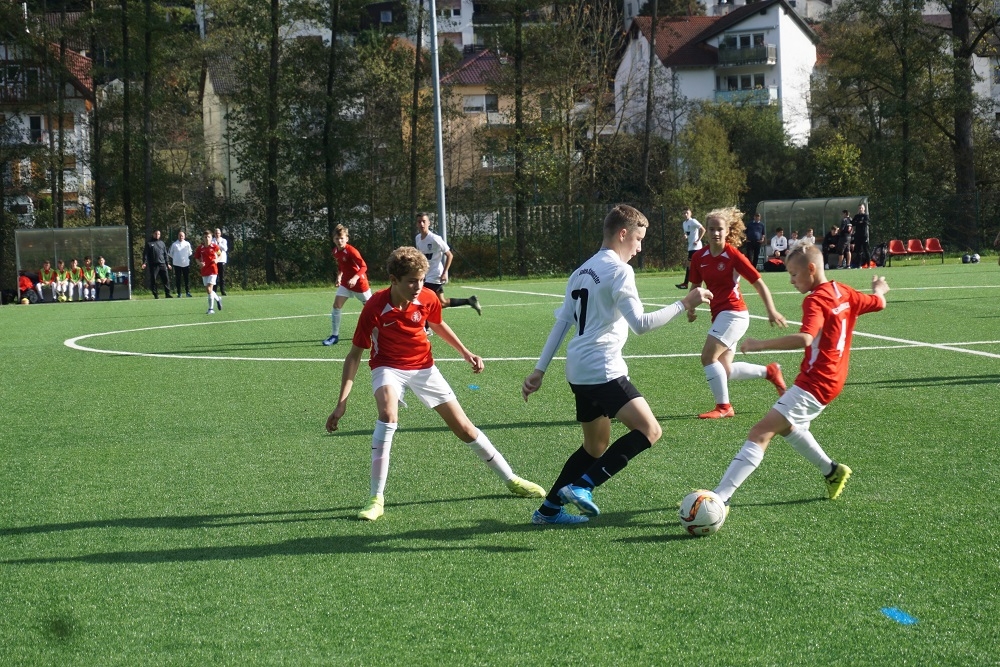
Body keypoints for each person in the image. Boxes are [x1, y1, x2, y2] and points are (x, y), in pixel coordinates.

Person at [521, 205, 713, 525]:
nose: (639, 248)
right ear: (623, 234)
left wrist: (540, 370)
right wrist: (685, 302)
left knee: (595, 446)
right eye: (638, 239)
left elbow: (562, 324)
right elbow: (640, 324)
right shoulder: (619, 271)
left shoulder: (581, 271)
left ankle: (548, 510)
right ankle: (583, 487)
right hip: (603, 368)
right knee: (649, 429)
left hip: (578, 370)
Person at [325, 246, 544, 521]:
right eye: (411, 281)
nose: (418, 287)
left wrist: (466, 353)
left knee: (464, 428)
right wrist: (341, 403)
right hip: (388, 368)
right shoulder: (374, 307)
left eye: (420, 279)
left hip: (424, 369)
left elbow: (438, 324)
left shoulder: (427, 297)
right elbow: (355, 355)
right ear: (394, 280)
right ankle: (376, 498)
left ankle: (511, 479)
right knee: (388, 414)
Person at [708, 243, 888, 523]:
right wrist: (879, 288)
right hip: (830, 380)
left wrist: (759, 344)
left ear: (811, 269)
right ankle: (831, 471)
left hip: (816, 382)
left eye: (793, 274)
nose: (791, 280)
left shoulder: (815, 300)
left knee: (760, 432)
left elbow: (805, 337)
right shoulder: (845, 292)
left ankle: (721, 497)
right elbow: (879, 303)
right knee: (788, 427)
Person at [686, 207, 788, 420]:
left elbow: (758, 282)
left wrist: (771, 310)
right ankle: (769, 372)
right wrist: (691, 308)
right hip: (721, 316)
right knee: (725, 369)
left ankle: (724, 407)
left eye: (719, 229)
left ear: (727, 230)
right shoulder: (699, 257)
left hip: (734, 314)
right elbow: (696, 286)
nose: (715, 233)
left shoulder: (733, 255)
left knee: (707, 357)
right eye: (711, 229)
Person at [414, 213, 481, 316]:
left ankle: (426, 328)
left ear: (429, 223)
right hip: (426, 275)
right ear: (417, 224)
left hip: (435, 275)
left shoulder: (435, 238)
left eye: (424, 221)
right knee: (442, 303)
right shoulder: (418, 238)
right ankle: (469, 301)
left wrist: (445, 272)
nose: (422, 224)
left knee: (423, 299)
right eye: (419, 222)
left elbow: (449, 255)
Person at [323, 224, 372, 345]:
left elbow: (364, 266)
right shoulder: (335, 251)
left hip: (360, 285)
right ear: (333, 239)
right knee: (336, 306)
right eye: (336, 239)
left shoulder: (352, 251)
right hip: (345, 283)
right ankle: (334, 336)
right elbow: (341, 266)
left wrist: (355, 278)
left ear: (347, 238)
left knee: (371, 309)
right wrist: (339, 277)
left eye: (342, 238)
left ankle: (380, 332)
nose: (339, 241)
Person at [676, 207, 706, 289]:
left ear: (690, 213)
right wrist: (685, 236)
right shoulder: (684, 223)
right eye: (684, 213)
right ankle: (688, 283)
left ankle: (686, 283)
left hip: (696, 247)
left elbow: (703, 229)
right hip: (691, 247)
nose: (685, 215)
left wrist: (698, 240)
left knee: (691, 265)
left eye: (687, 213)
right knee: (692, 265)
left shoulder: (693, 221)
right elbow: (687, 233)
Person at [194, 230, 223, 314]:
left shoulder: (214, 247)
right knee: (208, 290)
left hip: (213, 270)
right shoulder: (200, 248)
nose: (207, 238)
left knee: (209, 289)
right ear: (203, 238)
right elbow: (196, 258)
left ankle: (211, 309)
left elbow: (220, 255)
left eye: (208, 237)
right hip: (204, 270)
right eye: (205, 237)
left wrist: (217, 260)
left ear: (211, 238)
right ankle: (218, 298)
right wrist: (200, 263)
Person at [141, 230, 172, 298]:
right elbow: (145, 254)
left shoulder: (162, 243)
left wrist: (168, 264)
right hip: (154, 265)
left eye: (158, 234)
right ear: (153, 234)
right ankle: (156, 295)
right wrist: (144, 263)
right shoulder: (149, 243)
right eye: (156, 234)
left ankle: (168, 294)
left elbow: (165, 254)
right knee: (154, 280)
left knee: (166, 279)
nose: (157, 235)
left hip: (162, 264)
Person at [169, 231, 194, 297]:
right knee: (178, 279)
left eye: (182, 236)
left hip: (186, 264)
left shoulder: (187, 244)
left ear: (184, 236)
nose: (181, 237)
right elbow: (171, 254)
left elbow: (189, 253)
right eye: (180, 235)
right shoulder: (174, 244)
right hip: (177, 265)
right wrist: (177, 259)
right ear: (178, 236)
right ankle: (179, 293)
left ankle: (187, 292)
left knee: (186, 279)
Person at [852, 204, 871, 269]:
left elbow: (866, 223)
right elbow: (853, 223)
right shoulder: (856, 216)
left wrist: (860, 222)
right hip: (857, 235)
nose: (860, 209)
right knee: (858, 251)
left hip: (864, 235)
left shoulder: (866, 216)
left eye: (861, 208)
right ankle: (859, 265)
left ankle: (869, 265)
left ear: (864, 209)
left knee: (866, 250)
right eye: (859, 208)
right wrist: (859, 222)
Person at [213, 228, 229, 296]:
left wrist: (218, 244)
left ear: (220, 234)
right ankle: (214, 291)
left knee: (221, 276)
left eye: (218, 233)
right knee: (215, 276)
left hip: (221, 260)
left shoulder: (223, 240)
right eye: (216, 233)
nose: (217, 234)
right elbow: (212, 248)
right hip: (214, 260)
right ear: (214, 234)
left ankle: (222, 290)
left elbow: (225, 248)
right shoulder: (212, 240)